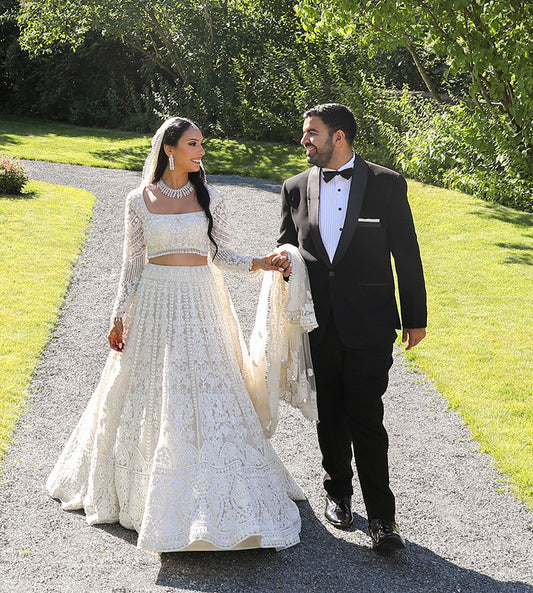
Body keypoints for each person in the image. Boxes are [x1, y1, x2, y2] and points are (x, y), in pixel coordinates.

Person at [47, 116, 305, 553]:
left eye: (201, 144)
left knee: (207, 389)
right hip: (153, 301)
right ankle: (146, 489)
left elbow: (221, 255)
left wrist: (261, 263)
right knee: (152, 391)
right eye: (192, 144)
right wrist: (118, 316)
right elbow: (131, 265)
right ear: (169, 149)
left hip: (201, 301)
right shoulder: (137, 200)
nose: (201, 151)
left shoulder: (212, 197)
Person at [274, 103, 427, 555]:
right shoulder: (294, 188)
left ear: (338, 136)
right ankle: (337, 492)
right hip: (317, 324)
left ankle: (382, 518)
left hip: (370, 323)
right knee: (330, 413)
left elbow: (407, 252)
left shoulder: (386, 183)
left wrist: (415, 317)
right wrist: (282, 265)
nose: (304, 140)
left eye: (311, 133)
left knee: (367, 416)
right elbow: (287, 246)